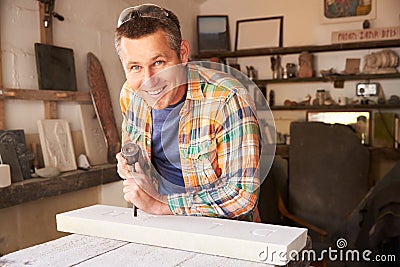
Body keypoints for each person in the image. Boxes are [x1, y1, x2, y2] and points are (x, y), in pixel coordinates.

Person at [114, 4, 262, 222]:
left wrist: (159, 204)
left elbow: (241, 196)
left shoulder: (228, 97)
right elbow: (142, 160)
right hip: (159, 222)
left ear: (182, 53)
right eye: (135, 67)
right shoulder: (130, 94)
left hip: (222, 229)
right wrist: (130, 165)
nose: (149, 81)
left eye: (159, 62)